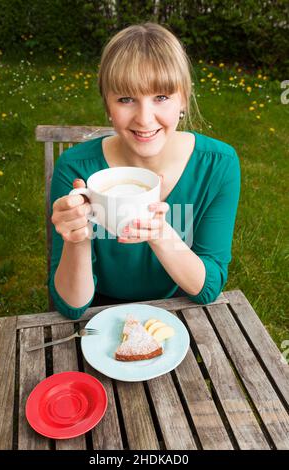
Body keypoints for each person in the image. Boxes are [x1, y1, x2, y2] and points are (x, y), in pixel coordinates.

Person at [49, 22, 241, 319]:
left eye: (161, 97)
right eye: (126, 99)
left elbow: (207, 288)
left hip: (179, 308)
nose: (144, 118)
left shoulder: (218, 165)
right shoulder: (76, 169)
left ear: (183, 100)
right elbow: (72, 307)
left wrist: (160, 233)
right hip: (99, 313)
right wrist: (77, 241)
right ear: (108, 106)